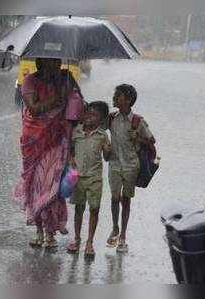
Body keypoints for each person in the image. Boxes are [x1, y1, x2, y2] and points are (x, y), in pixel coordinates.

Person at [13, 57, 84, 249]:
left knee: (52, 186)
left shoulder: (66, 78)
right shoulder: (30, 81)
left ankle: (50, 232)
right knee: (36, 186)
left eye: (58, 61)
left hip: (58, 140)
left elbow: (79, 106)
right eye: (51, 62)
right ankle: (38, 230)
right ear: (40, 63)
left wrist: (71, 94)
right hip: (34, 141)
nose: (56, 65)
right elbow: (34, 109)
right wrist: (58, 99)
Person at [106, 84, 154, 253]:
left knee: (126, 200)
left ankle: (123, 236)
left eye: (118, 95)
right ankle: (115, 227)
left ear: (128, 100)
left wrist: (139, 138)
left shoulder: (138, 121)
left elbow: (151, 141)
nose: (114, 98)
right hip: (114, 164)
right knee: (114, 197)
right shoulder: (111, 118)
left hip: (131, 166)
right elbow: (95, 125)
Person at [66, 101, 112, 257]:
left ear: (101, 120)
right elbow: (70, 150)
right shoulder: (76, 132)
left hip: (94, 178)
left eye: (94, 115)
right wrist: (71, 159)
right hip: (78, 177)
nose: (89, 117)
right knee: (79, 208)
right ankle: (77, 239)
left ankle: (89, 242)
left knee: (94, 209)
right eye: (87, 113)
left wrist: (107, 150)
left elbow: (107, 157)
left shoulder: (102, 136)